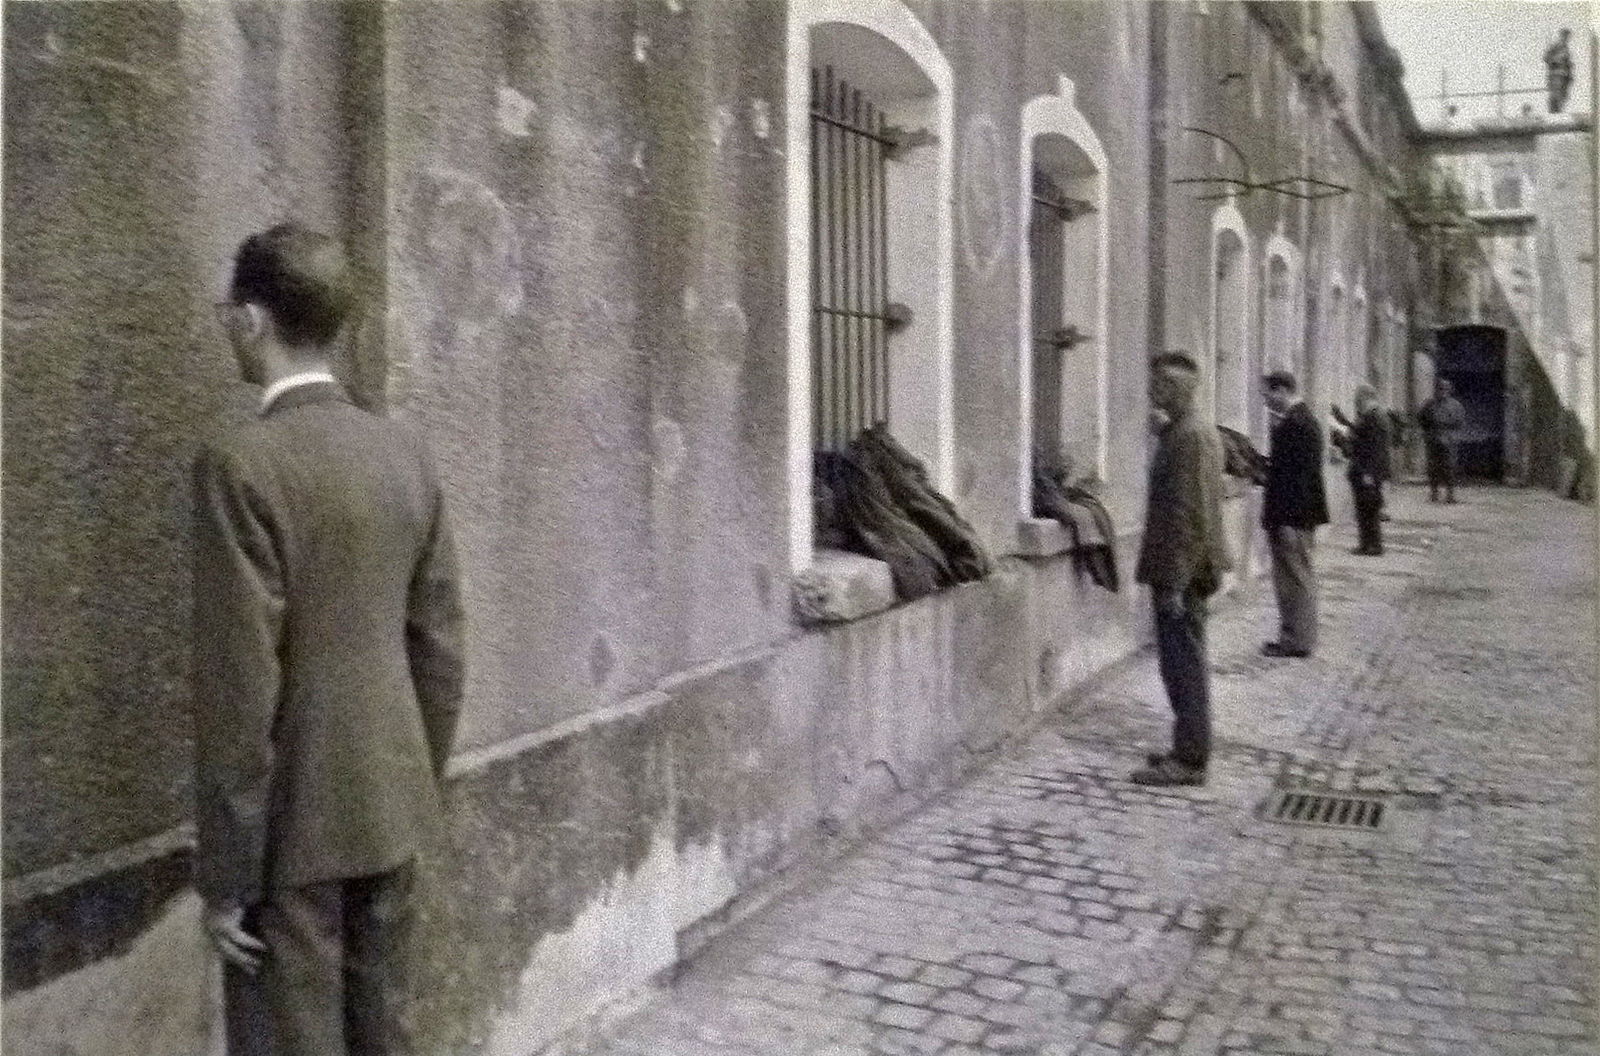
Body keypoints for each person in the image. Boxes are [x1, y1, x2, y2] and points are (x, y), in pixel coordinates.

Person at [193, 223, 465, 1056]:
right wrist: (416, 780)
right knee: (388, 1036)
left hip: (289, 830)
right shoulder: (405, 454)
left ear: (249, 321)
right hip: (394, 804)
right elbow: (442, 649)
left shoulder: (240, 463)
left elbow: (240, 683)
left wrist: (229, 877)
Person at [1131, 351, 1230, 787]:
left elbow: (1188, 516)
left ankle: (1190, 760)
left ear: (1176, 389)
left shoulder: (1190, 438)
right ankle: (1186, 747)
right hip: (1186, 569)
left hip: (1182, 573)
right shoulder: (1189, 432)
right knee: (1181, 662)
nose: (1152, 391)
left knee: (1183, 665)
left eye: (1159, 385)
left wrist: (1174, 580)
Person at [1258, 370, 1328, 659]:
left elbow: (1297, 480)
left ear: (1283, 391)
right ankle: (1297, 637)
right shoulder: (1300, 421)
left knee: (1294, 579)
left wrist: (1287, 520)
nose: (1266, 401)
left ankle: (1297, 640)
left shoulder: (1297, 424)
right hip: (1295, 516)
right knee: (1295, 577)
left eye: (1269, 395)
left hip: (1292, 518)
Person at [1333, 385, 1391, 556]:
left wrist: (1369, 474)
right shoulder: (1372, 416)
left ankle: (1373, 545)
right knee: (1364, 508)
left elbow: (1373, 449)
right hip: (1365, 470)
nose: (1356, 403)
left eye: (1358, 399)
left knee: (1369, 509)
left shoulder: (1375, 417)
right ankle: (1367, 544)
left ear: (1366, 398)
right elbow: (1361, 436)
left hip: (1368, 471)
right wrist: (1344, 422)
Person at [1418, 378, 1466, 503]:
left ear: (1450, 390)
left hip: (1449, 440)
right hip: (1433, 439)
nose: (1442, 391)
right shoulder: (1429, 405)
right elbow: (1421, 419)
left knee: (1449, 467)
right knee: (1433, 467)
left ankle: (1450, 494)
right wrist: (1429, 432)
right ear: (1436, 390)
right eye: (1440, 388)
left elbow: (1460, 421)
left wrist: (1451, 434)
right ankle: (1434, 492)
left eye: (1445, 389)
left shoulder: (1455, 405)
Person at [1546, 28, 1574, 114]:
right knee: (1556, 94)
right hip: (1556, 74)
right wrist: (1556, 61)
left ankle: (1559, 111)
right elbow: (1546, 58)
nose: (1566, 38)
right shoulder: (1556, 46)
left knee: (1563, 95)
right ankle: (1554, 111)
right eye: (1564, 36)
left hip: (1564, 75)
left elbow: (1568, 63)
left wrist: (1570, 74)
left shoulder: (1566, 49)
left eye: (1567, 36)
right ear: (1561, 36)